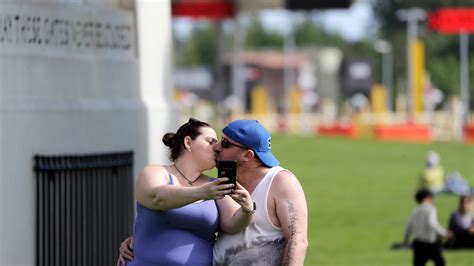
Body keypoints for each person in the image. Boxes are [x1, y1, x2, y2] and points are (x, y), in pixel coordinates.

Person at [119, 119, 309, 265]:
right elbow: (157, 198)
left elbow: (234, 223)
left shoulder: (279, 181)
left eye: (224, 143)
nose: (217, 147)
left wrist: (248, 208)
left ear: (247, 155)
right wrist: (143, 236)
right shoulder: (158, 172)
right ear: (188, 142)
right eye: (212, 141)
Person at [403, 188, 450, 266]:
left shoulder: (415, 210)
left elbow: (408, 227)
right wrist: (445, 233)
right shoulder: (430, 209)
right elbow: (432, 224)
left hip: (418, 243)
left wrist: (405, 240)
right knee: (440, 262)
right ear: (427, 198)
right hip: (430, 243)